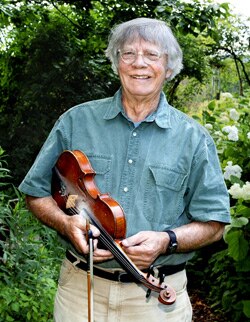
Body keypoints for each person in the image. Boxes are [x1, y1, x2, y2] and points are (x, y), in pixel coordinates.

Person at [19, 17, 231, 322]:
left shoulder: (194, 139)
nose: (138, 63)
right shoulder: (75, 122)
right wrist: (66, 225)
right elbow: (35, 194)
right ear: (116, 63)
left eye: (151, 55)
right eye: (128, 54)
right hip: (81, 290)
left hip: (158, 299)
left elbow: (215, 222)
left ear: (168, 67)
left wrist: (167, 240)